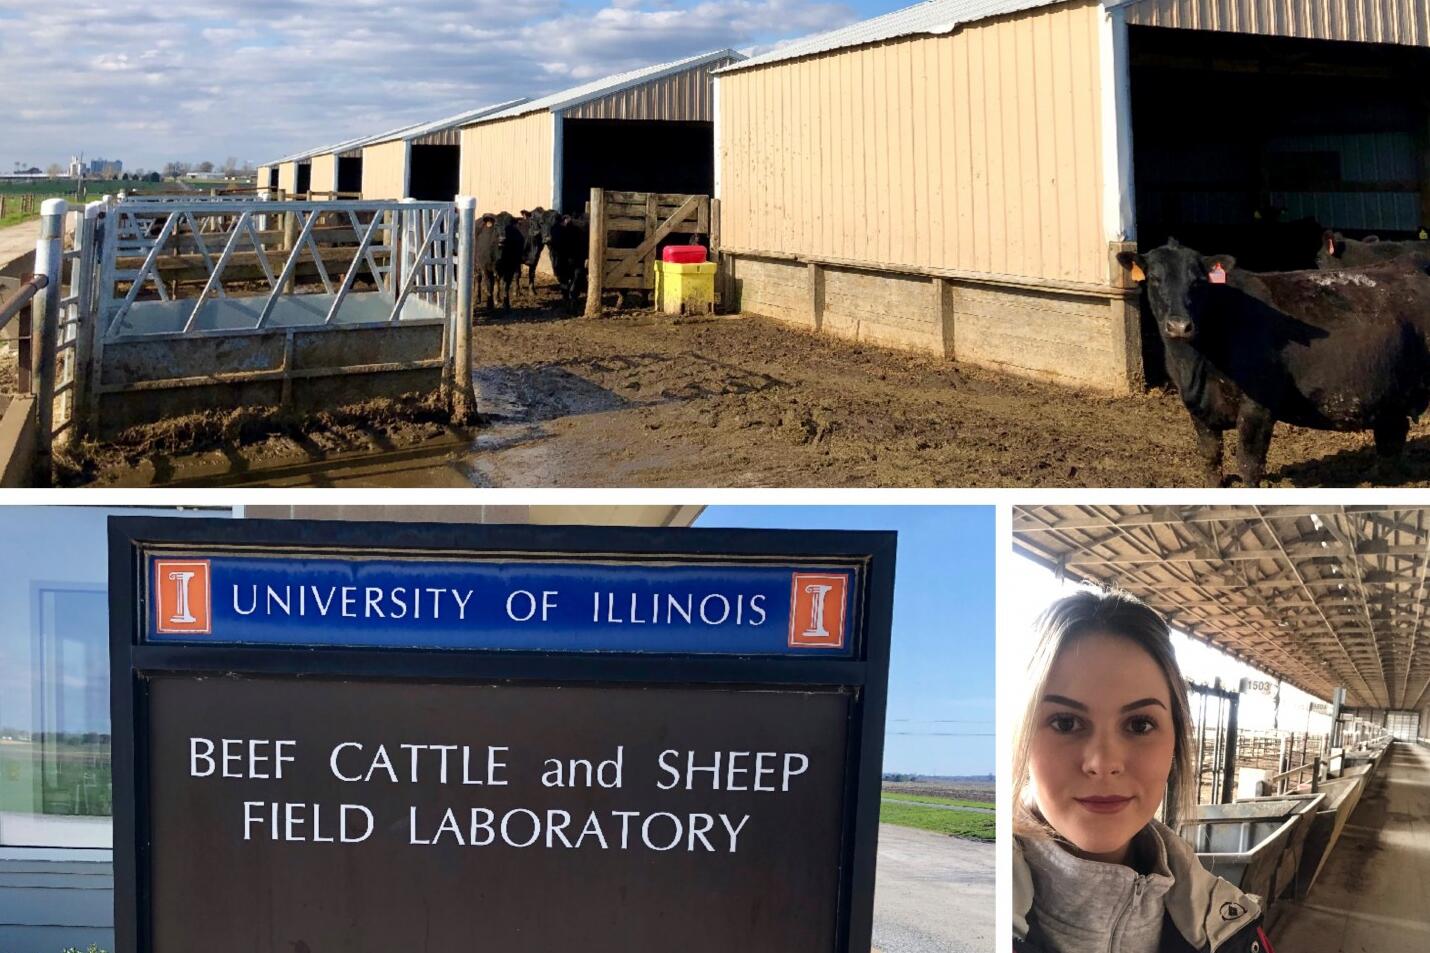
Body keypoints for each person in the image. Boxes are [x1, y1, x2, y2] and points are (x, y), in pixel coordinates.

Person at [1011, 589, 1276, 953]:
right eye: (1066, 723)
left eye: (1138, 725)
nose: (1103, 762)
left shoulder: (1232, 929)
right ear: (1021, 739)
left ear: (1175, 743)